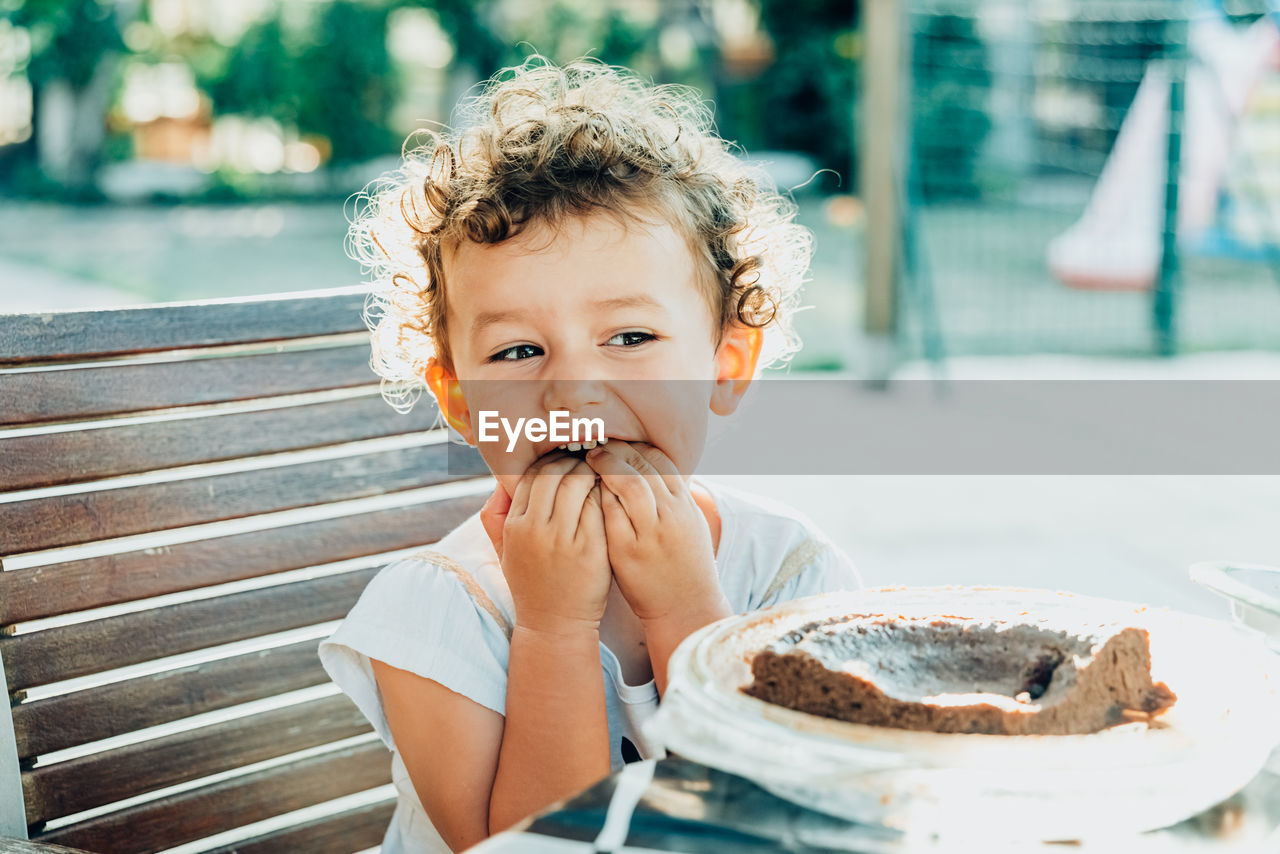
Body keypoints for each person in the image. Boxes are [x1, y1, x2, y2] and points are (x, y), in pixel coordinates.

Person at [320, 57, 860, 854]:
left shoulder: (791, 573)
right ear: (460, 400)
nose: (574, 396)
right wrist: (553, 629)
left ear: (725, 365)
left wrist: (686, 614)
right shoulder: (438, 613)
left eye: (631, 338)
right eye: (517, 351)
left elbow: (783, 828)